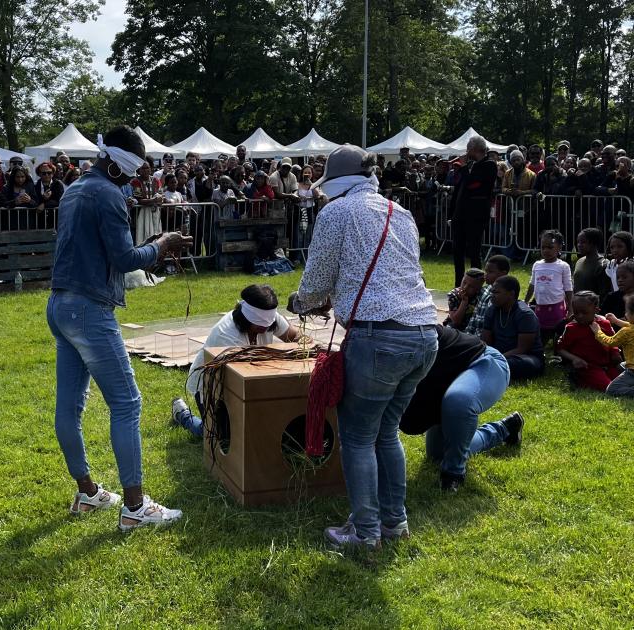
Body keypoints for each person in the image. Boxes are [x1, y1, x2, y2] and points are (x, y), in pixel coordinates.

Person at [287, 144, 439, 549]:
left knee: (358, 437)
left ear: (336, 183)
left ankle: (365, 532)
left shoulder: (336, 212)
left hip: (377, 338)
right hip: (424, 334)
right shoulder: (400, 212)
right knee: (386, 433)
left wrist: (300, 302)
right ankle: (395, 523)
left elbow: (317, 278)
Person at [47, 126, 191, 531]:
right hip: (89, 309)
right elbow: (126, 259)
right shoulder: (109, 194)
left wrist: (155, 244)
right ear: (113, 163)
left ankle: (88, 493)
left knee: (69, 408)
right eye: (129, 172)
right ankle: (135, 507)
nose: (132, 181)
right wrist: (162, 245)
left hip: (59, 304)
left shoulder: (74, 188)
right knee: (127, 404)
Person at [399, 326, 524, 492]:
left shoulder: (411, 331)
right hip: (443, 383)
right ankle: (505, 428)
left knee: (458, 400)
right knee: (439, 453)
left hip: (484, 362)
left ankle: (453, 474)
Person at [171, 285, 301, 437]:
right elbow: (242, 376)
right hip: (212, 384)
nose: (264, 328)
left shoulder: (270, 319)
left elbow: (295, 336)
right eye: (259, 323)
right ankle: (183, 415)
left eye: (267, 324)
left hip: (244, 380)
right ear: (246, 317)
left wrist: (304, 343)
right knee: (219, 435)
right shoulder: (226, 335)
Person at [450, 136, 498, 286]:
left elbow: (473, 184)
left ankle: (475, 284)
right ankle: (459, 284)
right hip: (460, 215)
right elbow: (461, 189)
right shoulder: (471, 166)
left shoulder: (489, 165)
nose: (466, 152)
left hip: (476, 215)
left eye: (468, 149)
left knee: (474, 251)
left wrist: (464, 167)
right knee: (457, 252)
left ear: (475, 149)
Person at [556, 291, 622, 392]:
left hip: (608, 364)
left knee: (624, 380)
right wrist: (575, 359)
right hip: (588, 367)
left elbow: (612, 341)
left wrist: (615, 353)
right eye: (576, 312)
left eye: (584, 312)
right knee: (609, 387)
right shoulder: (572, 328)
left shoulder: (604, 323)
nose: (580, 316)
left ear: (596, 310)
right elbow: (560, 349)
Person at [482, 275, 544, 380]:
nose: (492, 295)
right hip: (498, 354)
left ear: (511, 294)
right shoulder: (492, 310)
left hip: (524, 357)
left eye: (496, 292)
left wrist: (495, 358)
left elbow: (523, 349)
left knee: (518, 364)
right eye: (492, 292)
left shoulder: (524, 314)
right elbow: (486, 341)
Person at [525, 230, 573, 344]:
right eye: (543, 247)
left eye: (550, 247)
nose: (546, 250)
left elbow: (568, 287)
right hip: (540, 306)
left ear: (559, 248)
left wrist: (570, 307)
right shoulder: (537, 265)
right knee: (541, 331)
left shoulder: (563, 266)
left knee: (559, 331)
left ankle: (558, 349)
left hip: (557, 306)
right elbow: (532, 284)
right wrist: (526, 301)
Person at [463, 255, 510, 337]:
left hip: (483, 339)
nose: (486, 274)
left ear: (503, 274)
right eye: (485, 271)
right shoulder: (485, 290)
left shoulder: (503, 297)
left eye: (490, 272)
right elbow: (474, 318)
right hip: (470, 335)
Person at [572, 228, 612, 299]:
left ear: (594, 243)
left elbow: (605, 293)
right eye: (578, 242)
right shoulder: (579, 261)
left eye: (583, 242)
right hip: (578, 305)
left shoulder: (603, 265)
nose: (579, 245)